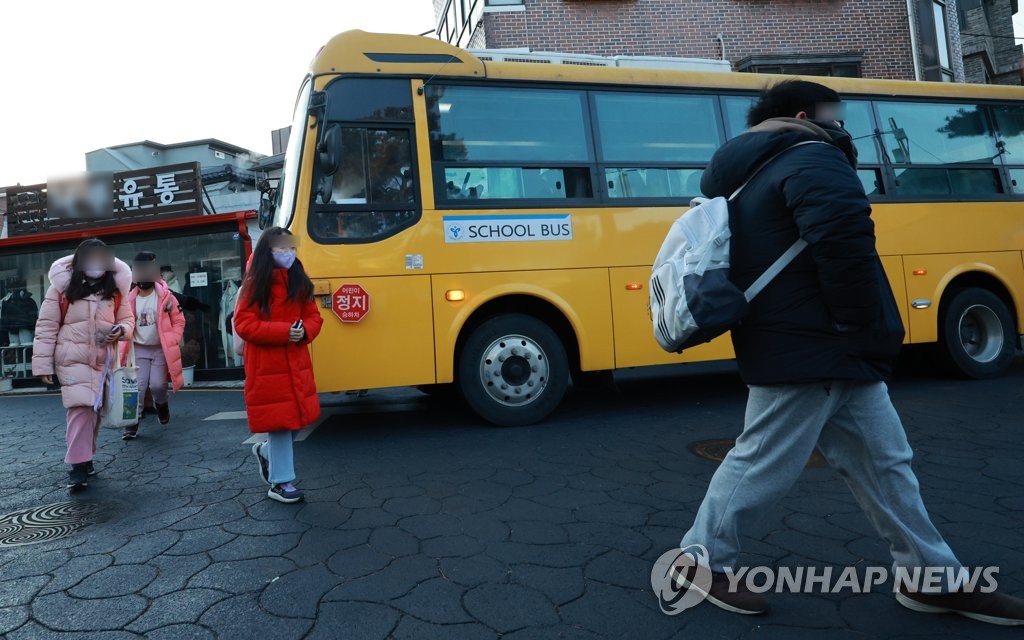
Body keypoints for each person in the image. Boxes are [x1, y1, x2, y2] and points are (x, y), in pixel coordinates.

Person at [677, 80, 1024, 625]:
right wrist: (859, 321)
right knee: (762, 460)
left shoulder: (754, 170)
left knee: (886, 464)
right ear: (802, 115)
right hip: (815, 344)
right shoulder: (812, 154)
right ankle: (700, 562)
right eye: (835, 114)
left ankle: (932, 577)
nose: (844, 125)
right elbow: (844, 240)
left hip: (816, 344)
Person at [32, 239, 135, 490]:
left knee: (94, 411)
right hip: (71, 358)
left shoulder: (115, 289)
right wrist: (43, 365)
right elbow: (46, 327)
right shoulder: (62, 288)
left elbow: (128, 320)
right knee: (81, 409)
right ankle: (78, 466)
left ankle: (85, 456)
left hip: (104, 360)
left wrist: (121, 330)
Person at [234, 227, 323, 503]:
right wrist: (286, 332)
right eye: (280, 248)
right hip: (267, 366)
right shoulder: (254, 284)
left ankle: (266, 453)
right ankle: (280, 483)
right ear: (267, 251)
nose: (288, 254)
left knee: (296, 419)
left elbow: (314, 316)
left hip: (295, 363)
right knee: (282, 425)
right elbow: (243, 324)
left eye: (290, 248)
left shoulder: (298, 280)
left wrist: (304, 331)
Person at [120, 251, 186, 440]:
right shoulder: (129, 299)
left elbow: (179, 320)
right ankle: (130, 424)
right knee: (136, 387)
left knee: (158, 385)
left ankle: (162, 405)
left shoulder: (166, 296)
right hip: (138, 349)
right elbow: (121, 320)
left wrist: (172, 338)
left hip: (159, 349)